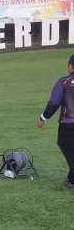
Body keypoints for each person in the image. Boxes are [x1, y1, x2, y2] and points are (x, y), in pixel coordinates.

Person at [36, 53, 74, 189]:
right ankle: (70, 179)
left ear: (70, 66)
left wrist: (43, 118)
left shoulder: (64, 81)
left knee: (68, 147)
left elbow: (54, 102)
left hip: (68, 124)